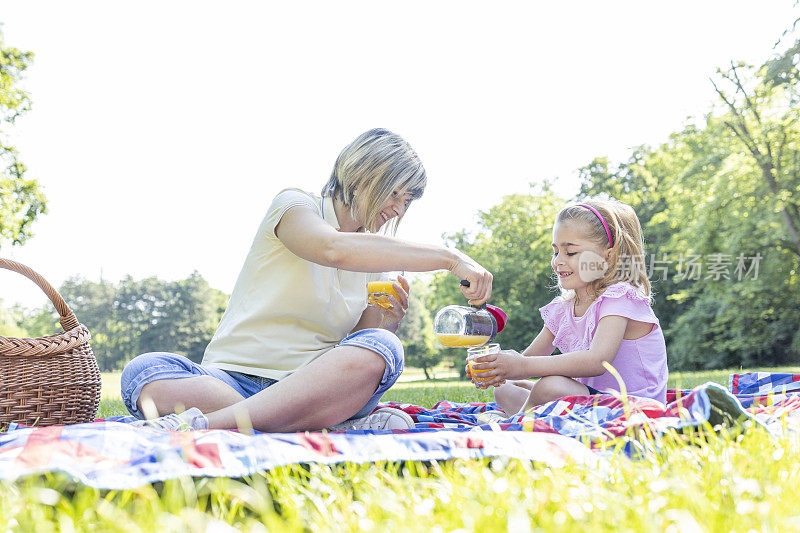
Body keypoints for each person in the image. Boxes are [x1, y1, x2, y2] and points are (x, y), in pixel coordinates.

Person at [120, 128, 493, 432]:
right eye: (394, 193)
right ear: (362, 176)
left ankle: (211, 424)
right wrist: (451, 258)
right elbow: (331, 248)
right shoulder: (295, 206)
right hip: (232, 381)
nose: (398, 208)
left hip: (314, 387)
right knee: (145, 372)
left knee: (383, 345)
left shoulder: (378, 258)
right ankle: (318, 425)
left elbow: (355, 346)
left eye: (407, 200)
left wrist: (388, 319)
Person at [469, 198, 667, 414]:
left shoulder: (620, 297)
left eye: (570, 252)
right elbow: (527, 362)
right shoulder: (563, 309)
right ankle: (527, 416)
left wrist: (521, 366)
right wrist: (496, 367)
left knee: (550, 386)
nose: (557, 261)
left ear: (608, 258)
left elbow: (597, 361)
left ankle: (514, 423)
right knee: (505, 388)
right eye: (555, 252)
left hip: (632, 408)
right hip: (593, 401)